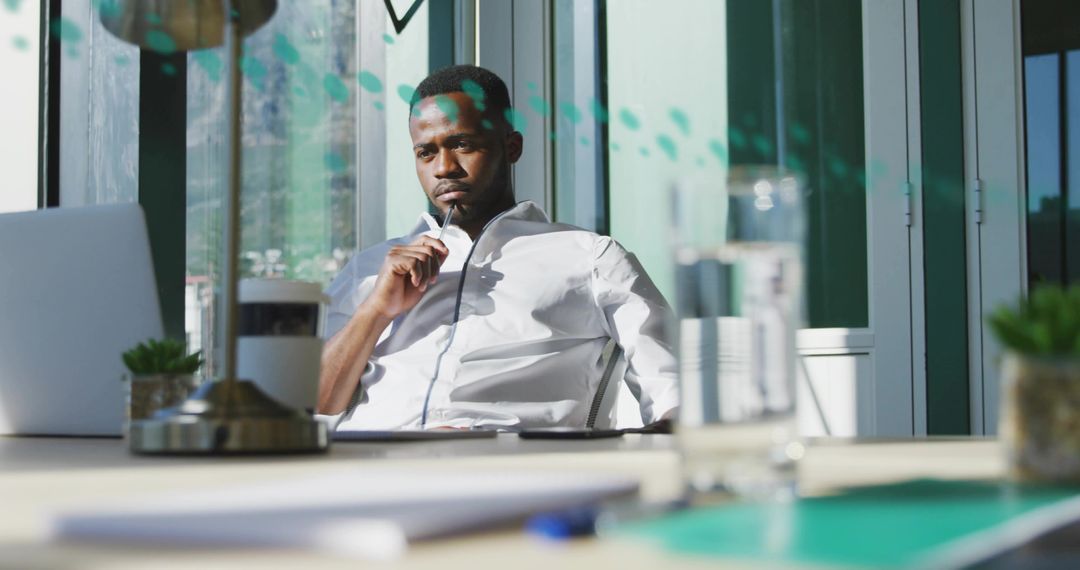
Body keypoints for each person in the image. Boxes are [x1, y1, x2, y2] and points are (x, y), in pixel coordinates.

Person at [319, 65, 677, 430]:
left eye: (462, 145)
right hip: (372, 459)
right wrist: (376, 310)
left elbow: (675, 395)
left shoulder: (590, 258)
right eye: (426, 153)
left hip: (512, 460)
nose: (444, 168)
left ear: (512, 147)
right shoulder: (371, 269)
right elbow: (314, 404)